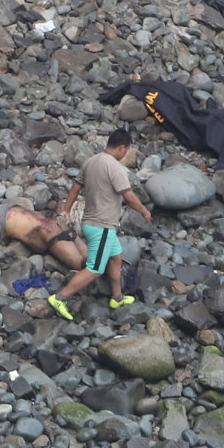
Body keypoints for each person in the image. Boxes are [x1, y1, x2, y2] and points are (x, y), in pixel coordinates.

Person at [72, 127, 155, 311]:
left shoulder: (91, 162)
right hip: (101, 226)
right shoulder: (115, 167)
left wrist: (65, 210)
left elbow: (75, 187)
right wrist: (144, 211)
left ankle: (117, 297)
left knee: (116, 256)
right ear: (122, 148)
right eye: (127, 150)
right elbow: (129, 196)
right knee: (95, 269)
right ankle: (60, 297)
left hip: (94, 223)